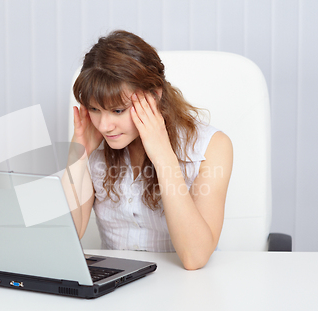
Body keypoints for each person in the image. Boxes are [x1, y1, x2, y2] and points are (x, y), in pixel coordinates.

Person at [63, 30, 233, 270]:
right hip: (116, 288)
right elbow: (67, 237)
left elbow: (194, 257)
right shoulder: (96, 141)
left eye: (118, 110)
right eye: (95, 109)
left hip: (185, 289)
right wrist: (77, 154)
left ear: (154, 96)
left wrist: (163, 156)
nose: (104, 125)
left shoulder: (210, 146)